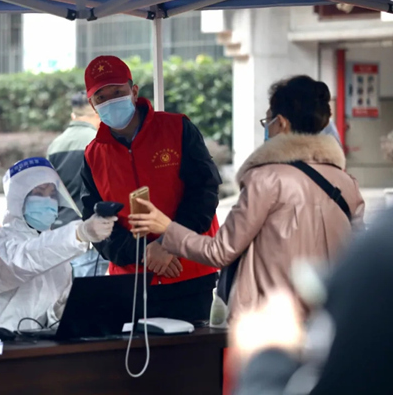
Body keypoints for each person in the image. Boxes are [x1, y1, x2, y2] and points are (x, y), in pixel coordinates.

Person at [129, 75, 364, 320]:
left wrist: (166, 228)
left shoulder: (267, 179)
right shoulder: (345, 183)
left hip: (271, 320)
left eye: (268, 120)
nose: (267, 128)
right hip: (330, 317)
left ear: (281, 123)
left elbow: (220, 251)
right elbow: (357, 256)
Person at [80, 55, 222, 323]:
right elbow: (96, 222)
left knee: (193, 349)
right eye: (101, 97)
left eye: (117, 92)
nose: (110, 101)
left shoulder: (177, 128)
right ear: (92, 104)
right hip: (131, 282)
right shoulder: (92, 155)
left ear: (133, 91)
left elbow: (204, 192)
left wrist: (168, 244)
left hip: (189, 273)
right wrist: (144, 253)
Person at [231, 207, 393, 395]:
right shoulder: (354, 195)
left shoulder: (381, 247)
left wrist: (266, 360)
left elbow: (225, 247)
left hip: (278, 304)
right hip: (325, 299)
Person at [0, 157, 117, 338]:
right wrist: (79, 234)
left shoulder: (59, 258)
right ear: (18, 199)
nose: (48, 200)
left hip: (31, 349)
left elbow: (52, 316)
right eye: (39, 193)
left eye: (52, 194)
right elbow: (21, 262)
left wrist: (72, 310)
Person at [47, 91, 107, 277]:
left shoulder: (55, 145)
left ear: (74, 115)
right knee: (87, 294)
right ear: (97, 115)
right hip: (90, 236)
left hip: (60, 235)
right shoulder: (99, 143)